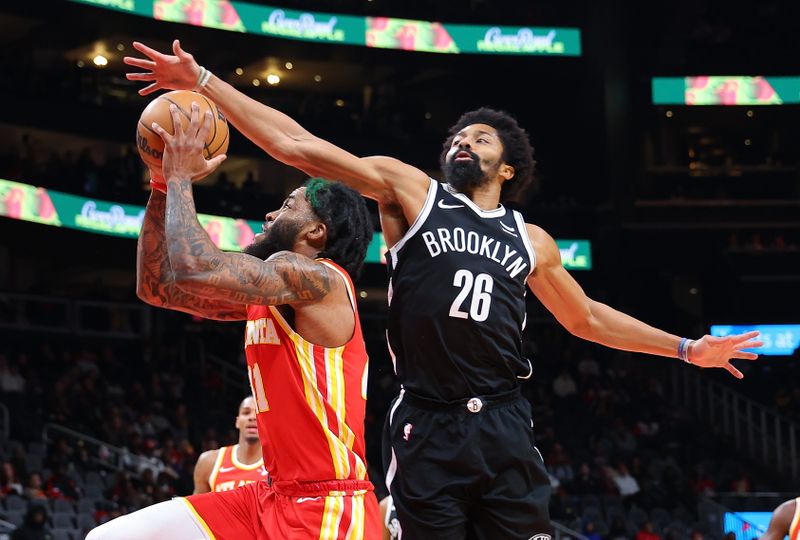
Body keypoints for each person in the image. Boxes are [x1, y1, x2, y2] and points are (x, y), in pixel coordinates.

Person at [125, 39, 764, 539]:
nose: (463, 140)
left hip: (504, 420)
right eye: (457, 135)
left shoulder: (530, 238)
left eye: (480, 138)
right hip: (426, 420)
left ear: (507, 168)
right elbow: (298, 145)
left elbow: (587, 319)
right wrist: (203, 82)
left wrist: (684, 348)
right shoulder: (414, 196)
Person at [88, 103, 379, 538]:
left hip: (328, 507)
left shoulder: (320, 281)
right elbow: (159, 287)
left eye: (287, 205)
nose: (269, 215)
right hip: (268, 496)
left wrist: (183, 175)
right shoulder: (273, 295)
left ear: (317, 232)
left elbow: (194, 266)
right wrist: (162, 184)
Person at [193, 395, 267, 494]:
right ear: (237, 422)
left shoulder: (278, 467)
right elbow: (197, 507)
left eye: (258, 413)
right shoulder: (209, 462)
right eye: (246, 412)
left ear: (267, 423)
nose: (252, 417)